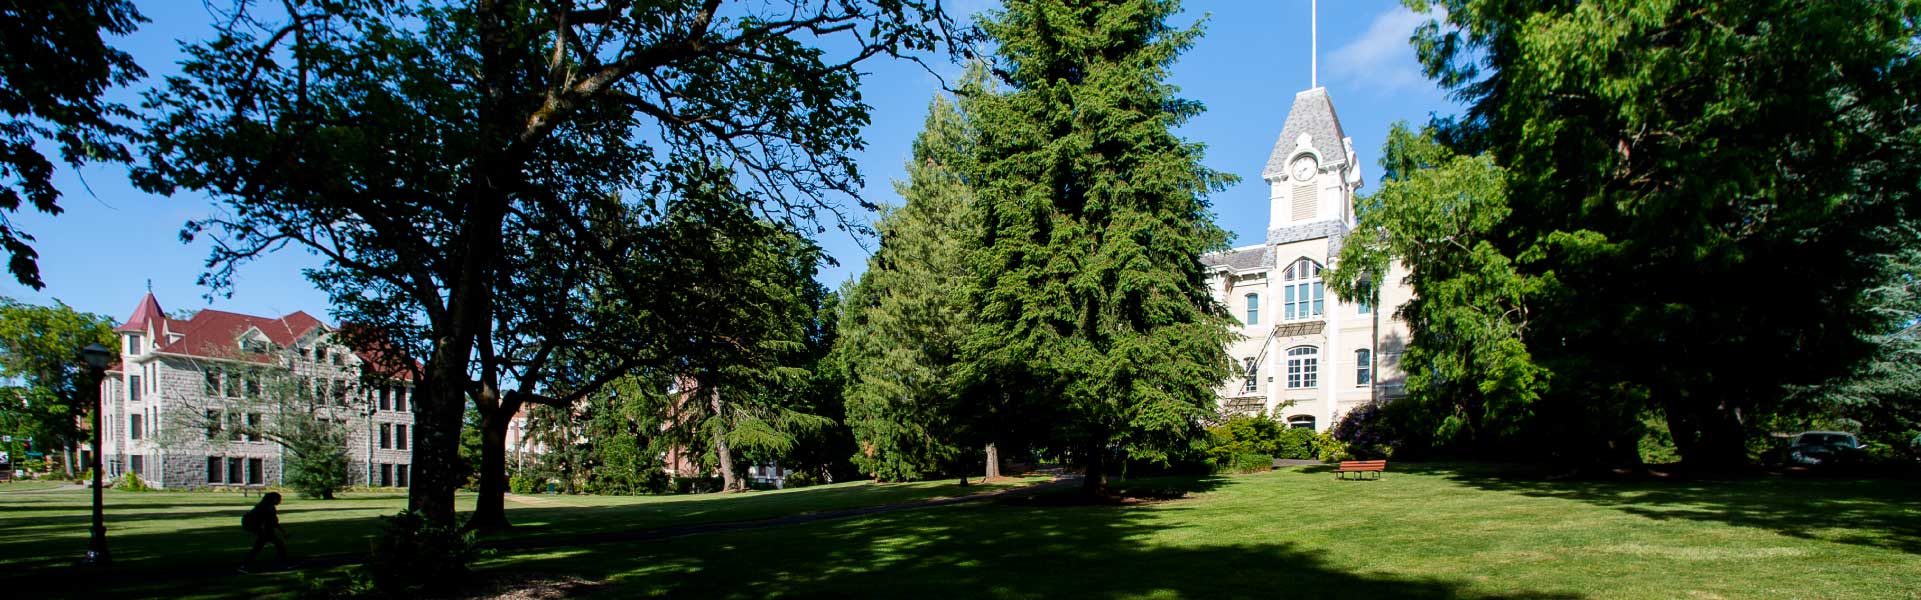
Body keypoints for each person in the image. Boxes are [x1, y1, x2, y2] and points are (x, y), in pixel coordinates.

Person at [239, 492, 289, 572]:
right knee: (263, 545)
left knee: (273, 543)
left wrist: (282, 532)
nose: (280, 501)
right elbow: (270, 523)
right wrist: (283, 532)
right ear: (274, 499)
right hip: (258, 527)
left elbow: (273, 522)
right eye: (278, 499)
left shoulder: (266, 506)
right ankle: (245, 564)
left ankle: (245, 563)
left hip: (259, 527)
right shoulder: (267, 508)